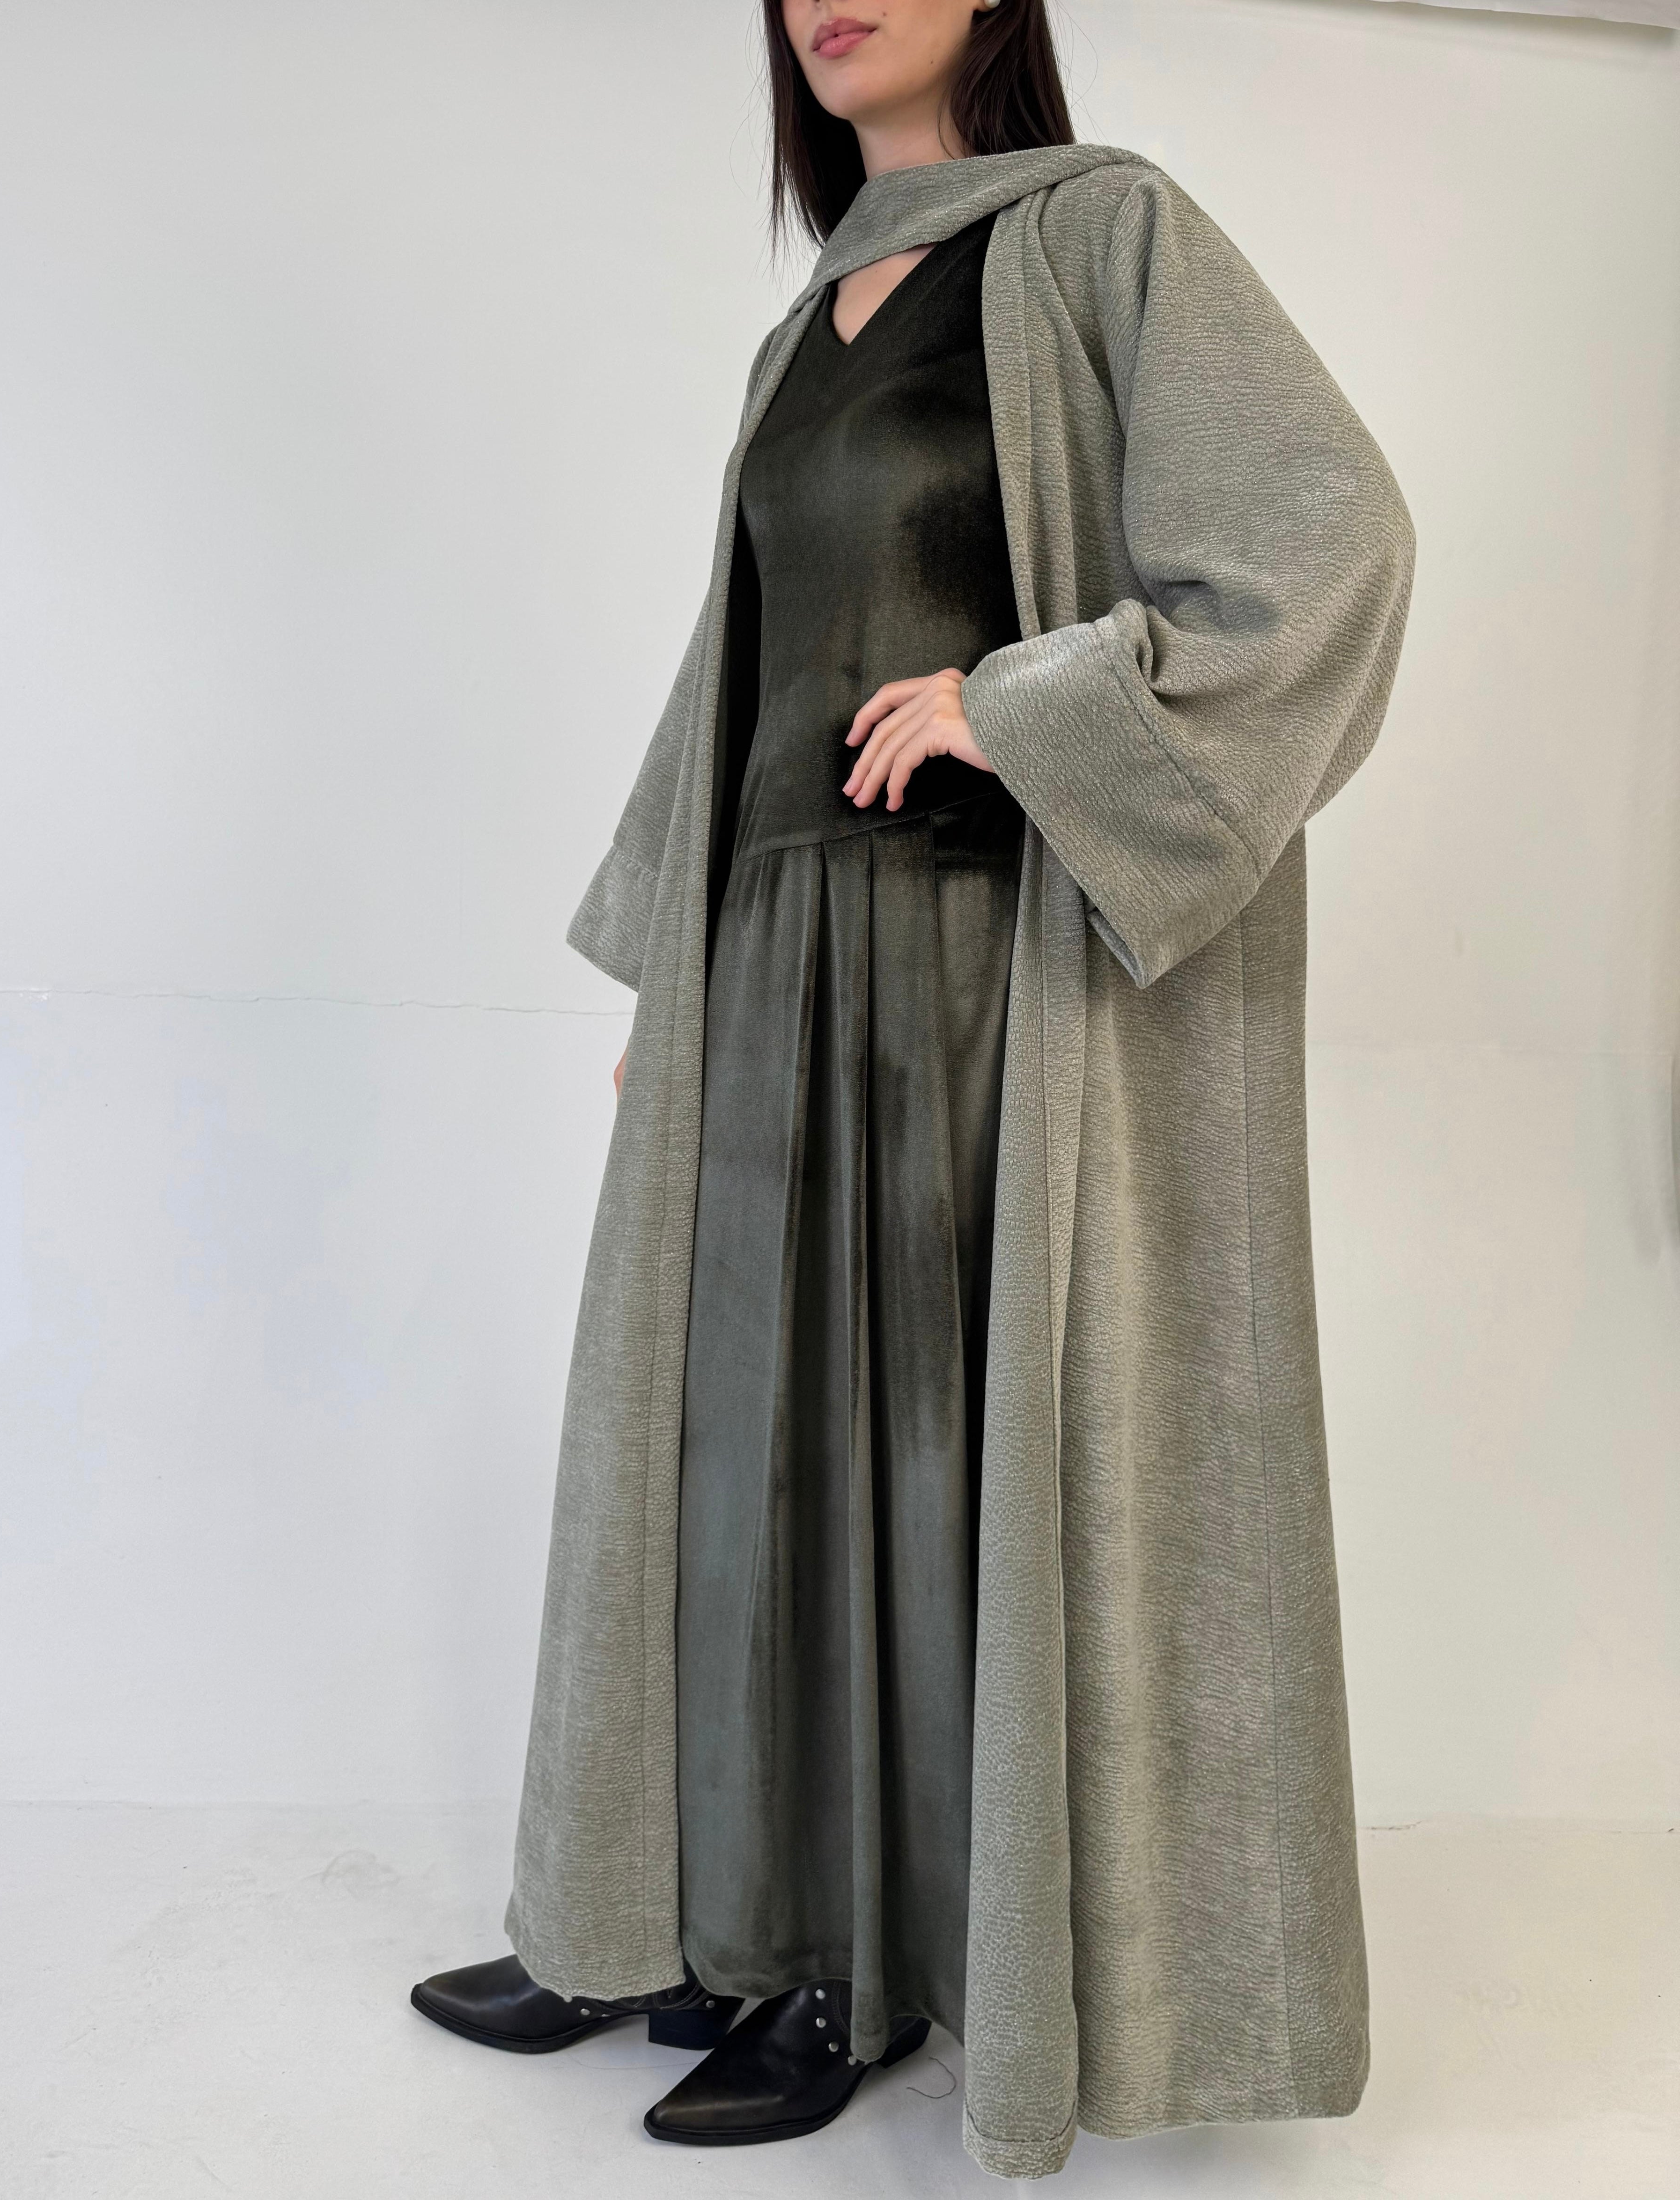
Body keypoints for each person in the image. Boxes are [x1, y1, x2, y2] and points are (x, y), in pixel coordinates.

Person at [412, 0, 1415, 2178]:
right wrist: (679, 956)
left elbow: (1327, 538)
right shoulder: (804, 332)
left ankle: (849, 1966)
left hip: (970, 972)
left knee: (907, 1457)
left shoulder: (1099, 236)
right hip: (771, 955)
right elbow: (742, 669)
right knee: (725, 1443)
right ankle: (670, 1918)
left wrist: (1014, 702)